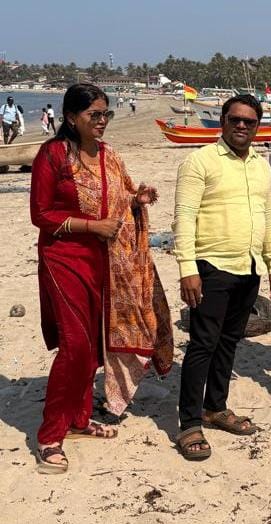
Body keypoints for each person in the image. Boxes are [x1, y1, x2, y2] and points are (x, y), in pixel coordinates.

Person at [30, 83, 174, 474]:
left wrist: (137, 199)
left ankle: (79, 420)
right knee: (75, 345)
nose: (102, 121)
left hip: (105, 260)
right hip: (63, 258)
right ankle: (49, 436)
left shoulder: (108, 154)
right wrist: (91, 226)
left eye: (105, 114)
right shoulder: (53, 155)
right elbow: (40, 214)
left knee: (92, 345)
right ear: (71, 117)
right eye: (94, 114)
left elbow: (118, 197)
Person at [173, 94, 271, 460]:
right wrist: (187, 269)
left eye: (249, 122)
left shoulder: (261, 166)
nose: (241, 126)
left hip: (248, 267)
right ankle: (190, 423)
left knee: (229, 342)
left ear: (257, 127)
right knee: (203, 344)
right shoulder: (199, 161)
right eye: (235, 119)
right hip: (211, 266)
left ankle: (215, 408)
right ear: (222, 121)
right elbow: (184, 217)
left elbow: (268, 217)